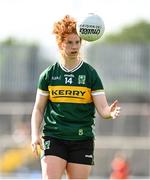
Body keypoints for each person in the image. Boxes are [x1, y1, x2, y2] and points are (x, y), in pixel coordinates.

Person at [31, 15, 121, 180]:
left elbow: (102, 108)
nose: (74, 47)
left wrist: (109, 113)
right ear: (60, 44)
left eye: (77, 42)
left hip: (82, 139)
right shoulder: (49, 75)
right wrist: (35, 134)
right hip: (54, 137)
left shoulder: (90, 74)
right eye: (69, 43)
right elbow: (38, 108)